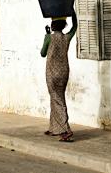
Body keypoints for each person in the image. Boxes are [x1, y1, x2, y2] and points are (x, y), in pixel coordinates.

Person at [40, 11, 77, 142]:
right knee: (56, 97)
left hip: (51, 73)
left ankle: (66, 130)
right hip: (63, 72)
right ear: (63, 26)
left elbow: (42, 53)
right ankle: (54, 127)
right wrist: (73, 13)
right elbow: (75, 27)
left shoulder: (49, 37)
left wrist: (46, 36)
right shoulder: (67, 37)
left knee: (57, 99)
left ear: (52, 25)